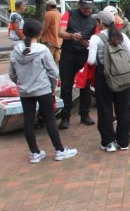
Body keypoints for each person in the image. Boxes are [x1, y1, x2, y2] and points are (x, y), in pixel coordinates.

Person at [8, 19, 78, 164]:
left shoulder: (15, 51)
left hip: (25, 91)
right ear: (40, 33)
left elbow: (12, 74)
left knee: (28, 120)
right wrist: (52, 86)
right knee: (50, 119)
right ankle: (59, 150)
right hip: (43, 89)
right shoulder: (42, 50)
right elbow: (52, 71)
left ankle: (34, 152)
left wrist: (21, 83)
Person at [88, 10, 130, 152]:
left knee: (105, 109)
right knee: (123, 108)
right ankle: (124, 141)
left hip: (103, 76)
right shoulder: (122, 36)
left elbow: (91, 61)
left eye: (97, 20)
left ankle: (109, 142)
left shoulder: (95, 38)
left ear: (101, 22)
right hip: (122, 75)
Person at [58, 0, 97, 129]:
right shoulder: (68, 14)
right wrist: (71, 36)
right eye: (85, 7)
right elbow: (60, 32)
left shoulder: (94, 19)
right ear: (79, 5)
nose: (87, 10)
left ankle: (85, 114)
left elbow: (97, 37)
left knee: (85, 87)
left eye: (90, 8)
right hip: (68, 54)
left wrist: (89, 44)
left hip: (84, 55)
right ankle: (65, 117)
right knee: (66, 87)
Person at [40, 0, 62, 64]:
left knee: (48, 59)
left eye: (46, 6)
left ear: (49, 6)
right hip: (58, 40)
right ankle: (57, 72)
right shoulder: (59, 14)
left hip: (50, 40)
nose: (46, 7)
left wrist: (40, 34)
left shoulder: (49, 14)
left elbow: (45, 27)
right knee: (57, 59)